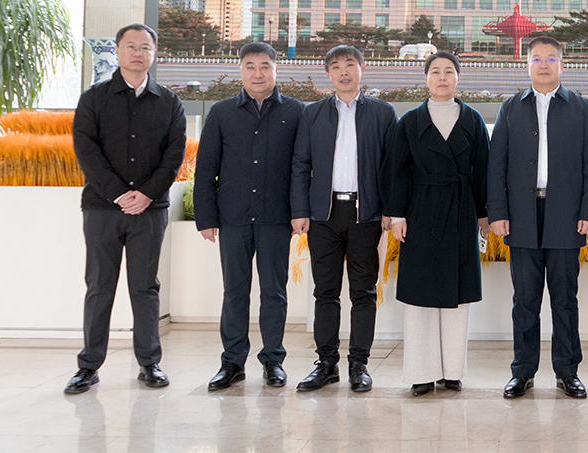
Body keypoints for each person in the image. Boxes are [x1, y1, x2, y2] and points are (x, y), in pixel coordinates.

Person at [65, 23, 187, 395]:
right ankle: (88, 366)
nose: (137, 53)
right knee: (99, 286)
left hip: (150, 211)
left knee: (145, 287)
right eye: (130, 46)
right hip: (102, 209)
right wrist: (119, 193)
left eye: (145, 47)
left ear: (154, 53)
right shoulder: (94, 99)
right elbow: (87, 152)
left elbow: (173, 156)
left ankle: (150, 364)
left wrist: (146, 194)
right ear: (117, 51)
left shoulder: (169, 102)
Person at [488, 36, 588, 400]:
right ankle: (522, 372)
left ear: (561, 65)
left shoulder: (581, 108)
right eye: (536, 58)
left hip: (566, 215)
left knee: (565, 300)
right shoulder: (511, 108)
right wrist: (498, 213)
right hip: (521, 215)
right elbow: (496, 165)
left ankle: (567, 372)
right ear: (527, 65)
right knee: (525, 300)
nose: (543, 64)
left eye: (551, 58)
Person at [193, 42, 304, 391]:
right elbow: (205, 168)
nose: (258, 73)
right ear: (240, 70)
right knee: (234, 292)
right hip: (233, 217)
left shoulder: (296, 112)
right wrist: (206, 217)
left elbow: (302, 168)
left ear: (276, 69)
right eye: (251, 66)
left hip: (276, 217)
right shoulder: (222, 112)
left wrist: (300, 212)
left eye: (265, 66)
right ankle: (232, 362)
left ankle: (273, 360)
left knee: (274, 291)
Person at [291, 44, 397, 393]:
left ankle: (359, 364)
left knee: (364, 291)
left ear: (362, 69)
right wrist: (300, 211)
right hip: (323, 214)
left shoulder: (382, 113)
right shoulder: (312, 113)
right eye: (336, 67)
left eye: (350, 64)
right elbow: (300, 164)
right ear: (328, 74)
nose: (344, 72)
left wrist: (389, 209)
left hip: (366, 214)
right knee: (325, 291)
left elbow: (392, 167)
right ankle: (326, 364)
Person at [384, 51, 491, 397]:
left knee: (458, 297)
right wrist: (397, 215)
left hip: (461, 212)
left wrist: (484, 215)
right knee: (420, 296)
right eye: (435, 72)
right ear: (426, 78)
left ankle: (452, 371)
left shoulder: (473, 119)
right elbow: (396, 171)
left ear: (458, 77)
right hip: (420, 212)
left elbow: (483, 170)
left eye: (448, 71)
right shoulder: (410, 121)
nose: (442, 77)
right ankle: (421, 372)